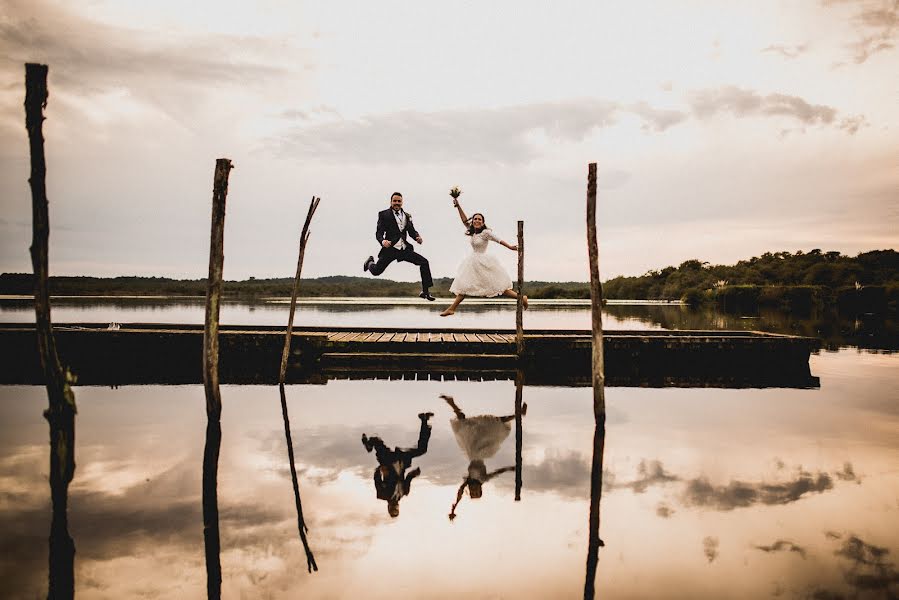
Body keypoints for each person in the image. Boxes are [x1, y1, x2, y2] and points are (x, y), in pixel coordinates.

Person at [440, 394, 526, 520]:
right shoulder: (483, 479)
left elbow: (459, 493)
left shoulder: (468, 481)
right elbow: (497, 473)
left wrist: (454, 508)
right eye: (477, 492)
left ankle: (452, 403)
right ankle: (517, 414)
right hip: (482, 450)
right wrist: (509, 468)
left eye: (472, 492)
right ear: (480, 489)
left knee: (463, 424)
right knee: (495, 424)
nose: (473, 490)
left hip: (471, 449)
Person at [440, 196, 527, 316]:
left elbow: (498, 239)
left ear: (483, 222)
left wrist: (510, 247)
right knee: (464, 286)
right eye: (475, 219)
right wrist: (458, 205)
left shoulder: (485, 233)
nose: (476, 221)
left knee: (500, 288)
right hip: (472, 263)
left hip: (483, 262)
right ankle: (452, 308)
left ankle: (522, 298)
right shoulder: (472, 232)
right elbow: (464, 220)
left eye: (479, 219)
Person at [363, 192, 435, 301]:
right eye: (395, 201)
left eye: (399, 201)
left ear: (402, 202)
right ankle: (369, 262)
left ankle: (425, 292)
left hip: (404, 249)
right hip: (390, 249)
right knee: (376, 271)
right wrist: (383, 241)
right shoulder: (383, 214)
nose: (397, 203)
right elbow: (379, 233)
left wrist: (417, 237)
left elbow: (411, 230)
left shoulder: (407, 216)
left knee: (424, 262)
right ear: (391, 202)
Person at [361, 411, 434, 518]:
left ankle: (369, 445)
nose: (395, 506)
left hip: (388, 461)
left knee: (376, 441)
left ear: (388, 507)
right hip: (401, 461)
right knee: (422, 450)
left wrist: (380, 468)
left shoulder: (382, 495)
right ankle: (424, 420)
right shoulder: (404, 492)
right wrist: (414, 473)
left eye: (392, 508)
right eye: (396, 509)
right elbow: (408, 478)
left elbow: (377, 480)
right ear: (399, 507)